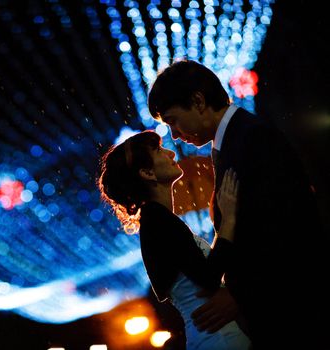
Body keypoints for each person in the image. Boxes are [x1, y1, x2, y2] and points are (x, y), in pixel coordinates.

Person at [147, 59, 328, 348]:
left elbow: (288, 227)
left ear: (198, 101)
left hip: (291, 313)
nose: (175, 135)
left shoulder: (252, 138)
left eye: (173, 120)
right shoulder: (234, 140)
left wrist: (241, 294)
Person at [98, 130, 251, 349]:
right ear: (147, 173)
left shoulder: (157, 221)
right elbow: (208, 277)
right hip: (219, 339)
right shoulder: (158, 222)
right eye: (158, 150)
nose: (170, 153)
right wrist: (228, 221)